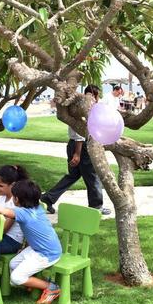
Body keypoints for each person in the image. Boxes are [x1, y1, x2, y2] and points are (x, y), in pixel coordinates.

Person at [41, 84, 110, 215]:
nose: (98, 98)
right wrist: (77, 154)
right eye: (98, 95)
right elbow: (80, 134)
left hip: (73, 145)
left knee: (73, 175)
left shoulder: (78, 106)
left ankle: (47, 198)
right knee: (92, 176)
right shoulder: (84, 109)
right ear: (94, 95)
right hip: (80, 147)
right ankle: (96, 206)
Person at [0, 179, 62, 304]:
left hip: (47, 253)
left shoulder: (23, 213)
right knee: (13, 264)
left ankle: (52, 288)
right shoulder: (37, 208)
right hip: (42, 248)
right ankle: (36, 283)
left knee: (16, 278)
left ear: (17, 199)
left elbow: (3, 211)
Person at [0, 164, 29, 255]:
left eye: (0, 185)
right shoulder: (2, 198)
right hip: (0, 236)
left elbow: (3, 229)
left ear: (13, 185)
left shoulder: (16, 202)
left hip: (12, 241)